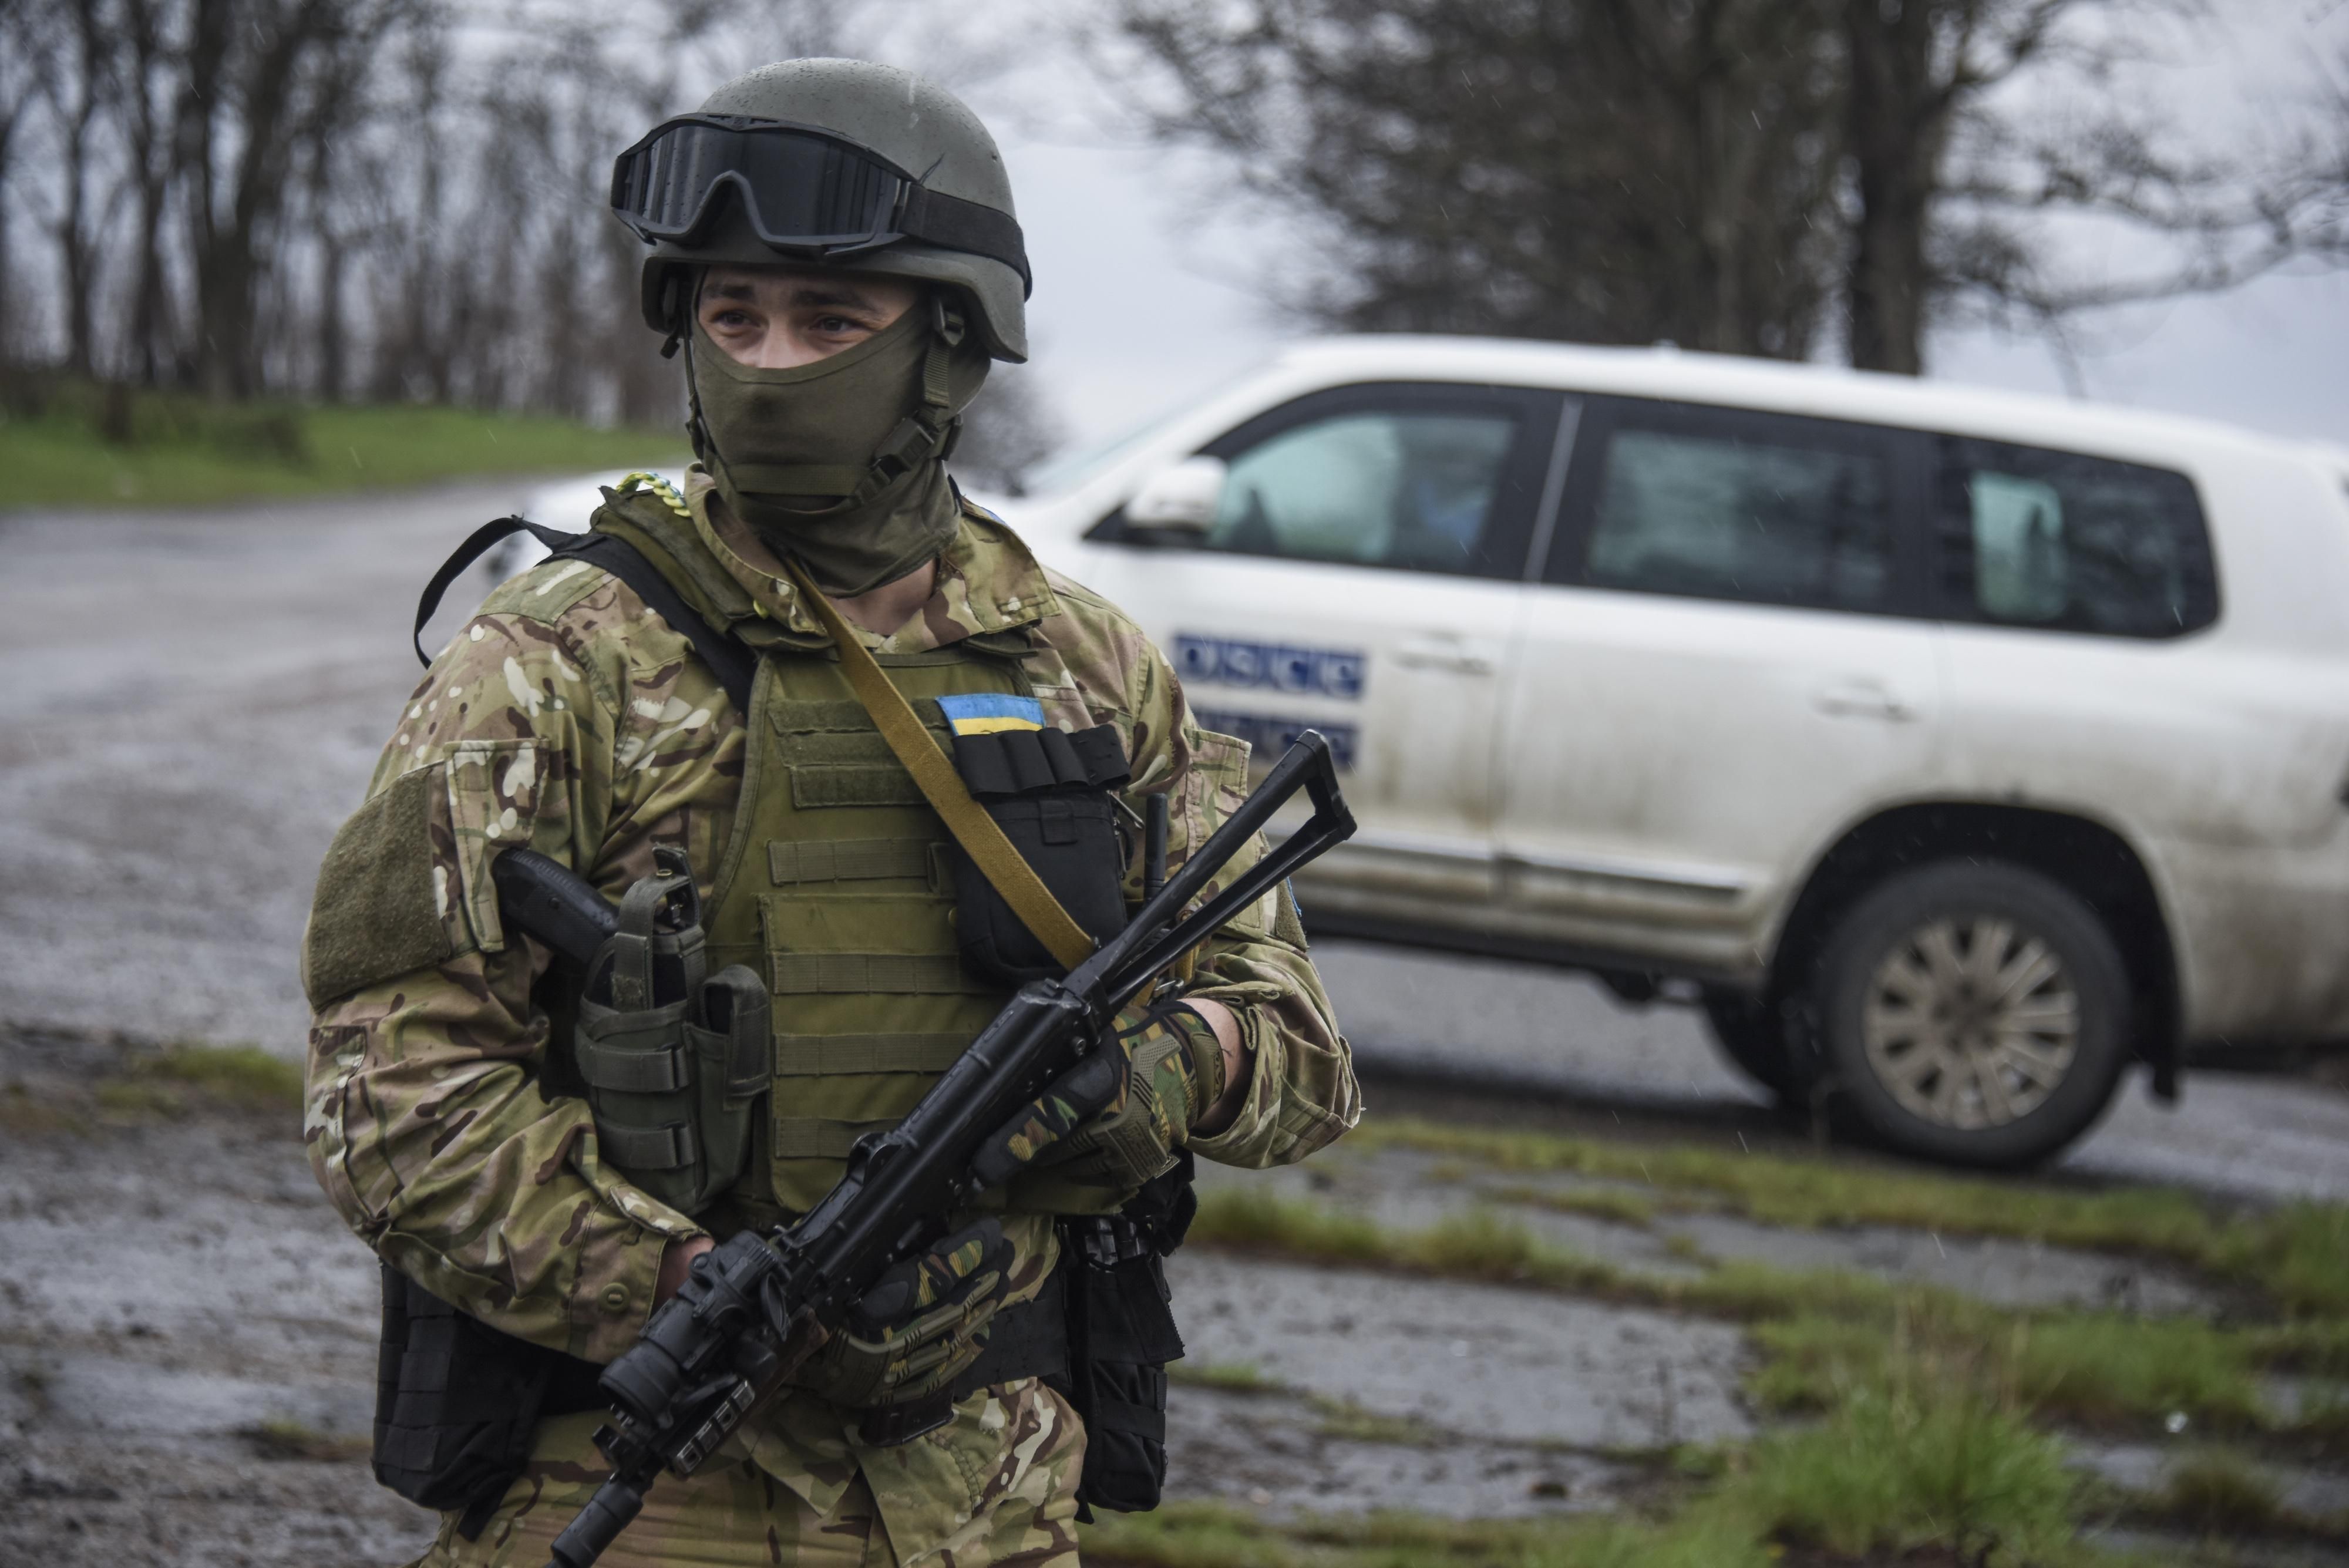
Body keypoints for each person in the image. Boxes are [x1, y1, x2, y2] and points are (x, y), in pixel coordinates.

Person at [300, 56, 1358, 1568]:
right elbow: (386, 1098)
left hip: (986, 1501)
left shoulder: (1086, 671)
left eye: (827, 321)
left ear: (947, 346)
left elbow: (1300, 1056)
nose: (768, 364)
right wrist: (672, 1282)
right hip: (652, 1476)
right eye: (731, 318)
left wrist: (1152, 1078)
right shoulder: (556, 655)